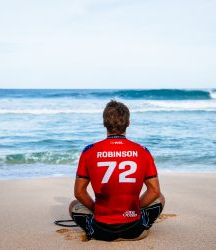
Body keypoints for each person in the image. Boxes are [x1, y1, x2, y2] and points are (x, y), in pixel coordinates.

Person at [69, 100, 165, 241]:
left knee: (73, 206)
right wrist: (134, 208)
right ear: (128, 123)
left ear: (104, 123)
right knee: (160, 198)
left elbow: (79, 192)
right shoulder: (143, 151)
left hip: (102, 230)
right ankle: (142, 225)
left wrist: (96, 209)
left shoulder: (89, 151)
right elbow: (154, 191)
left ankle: (93, 228)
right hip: (134, 229)